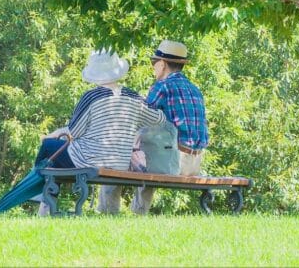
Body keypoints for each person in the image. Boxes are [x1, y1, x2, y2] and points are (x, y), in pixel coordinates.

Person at [35, 49, 165, 215]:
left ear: (95, 73)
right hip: (120, 161)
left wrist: (53, 134)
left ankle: (41, 198)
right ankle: (44, 205)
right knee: (52, 156)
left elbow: (74, 132)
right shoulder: (134, 97)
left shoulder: (91, 97)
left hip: (89, 159)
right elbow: (159, 118)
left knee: (49, 147)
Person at [131, 39, 209, 215]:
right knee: (151, 145)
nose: (153, 66)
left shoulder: (163, 86)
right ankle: (137, 213)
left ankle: (110, 212)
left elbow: (141, 120)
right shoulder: (194, 89)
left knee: (119, 158)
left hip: (174, 163)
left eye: (154, 62)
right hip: (195, 163)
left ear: (163, 64)